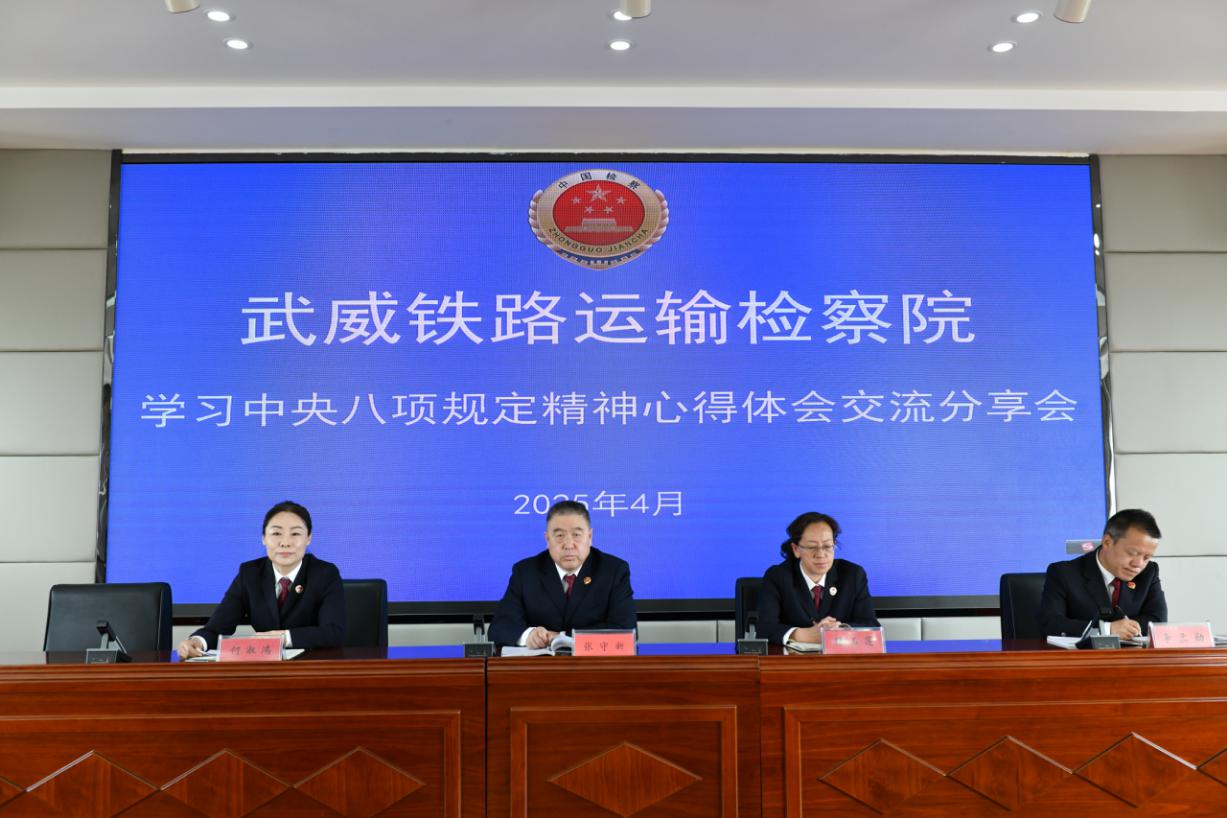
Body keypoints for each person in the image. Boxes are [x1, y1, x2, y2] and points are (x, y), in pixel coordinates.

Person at [177, 500, 347, 659]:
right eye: (276, 533)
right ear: (264, 538)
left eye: (295, 533)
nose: (285, 542)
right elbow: (217, 627)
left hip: (313, 666)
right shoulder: (250, 574)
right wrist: (197, 641)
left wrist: (284, 637)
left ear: (308, 538)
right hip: (264, 667)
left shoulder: (325, 573)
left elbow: (334, 632)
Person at [488, 499, 636, 648]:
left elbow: (625, 631)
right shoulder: (526, 572)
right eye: (559, 536)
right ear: (547, 539)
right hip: (541, 662)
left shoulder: (613, 571)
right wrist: (529, 635)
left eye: (576, 534)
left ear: (590, 537)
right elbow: (500, 627)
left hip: (593, 661)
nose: (569, 544)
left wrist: (561, 638)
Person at [1038, 508, 1166, 639]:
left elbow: (1158, 621)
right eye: (1132, 553)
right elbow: (1051, 624)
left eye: (1146, 557)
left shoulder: (1149, 572)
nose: (1138, 564)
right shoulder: (1063, 573)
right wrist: (1107, 629)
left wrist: (1127, 629)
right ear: (1107, 542)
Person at [755, 511, 879, 644]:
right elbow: (765, 629)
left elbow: (871, 625)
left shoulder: (852, 575)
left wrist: (839, 630)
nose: (820, 554)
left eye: (827, 546)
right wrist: (803, 634)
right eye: (812, 547)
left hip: (840, 654)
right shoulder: (778, 576)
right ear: (796, 549)